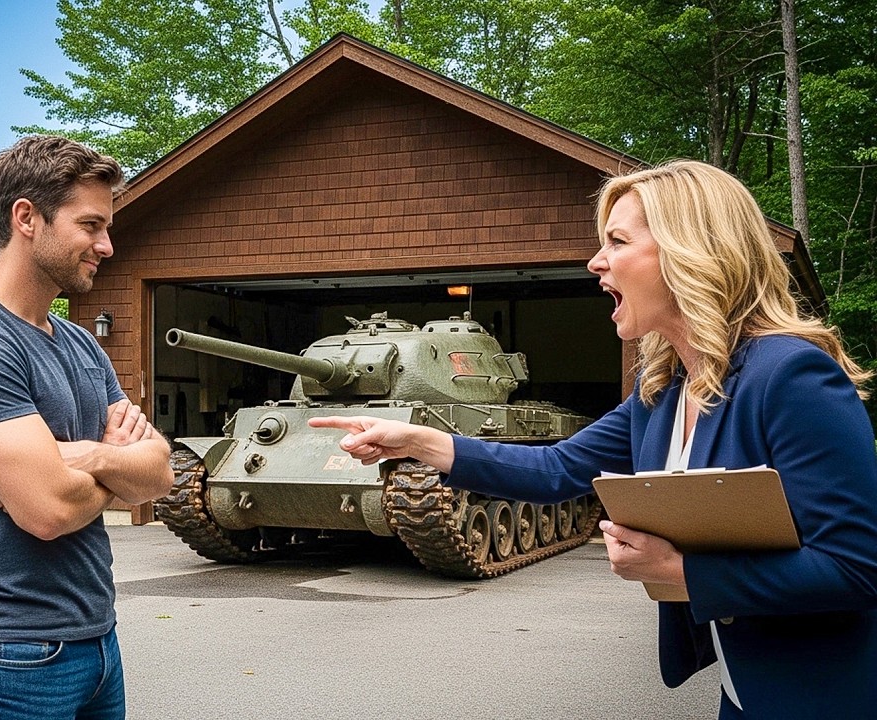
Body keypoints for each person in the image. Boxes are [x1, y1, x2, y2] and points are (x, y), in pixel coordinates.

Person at [309, 160, 877, 718]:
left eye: (617, 241)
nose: (595, 261)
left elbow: (857, 568)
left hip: (825, 696)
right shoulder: (664, 391)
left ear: (690, 252)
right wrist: (418, 442)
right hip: (742, 690)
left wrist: (682, 573)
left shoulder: (789, 376)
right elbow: (557, 468)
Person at [0, 135, 174, 719]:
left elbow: (160, 474)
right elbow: (49, 512)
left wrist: (88, 456)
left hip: (98, 640)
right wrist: (115, 464)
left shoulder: (82, 344)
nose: (106, 245)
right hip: (10, 655)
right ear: (27, 218)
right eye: (90, 225)